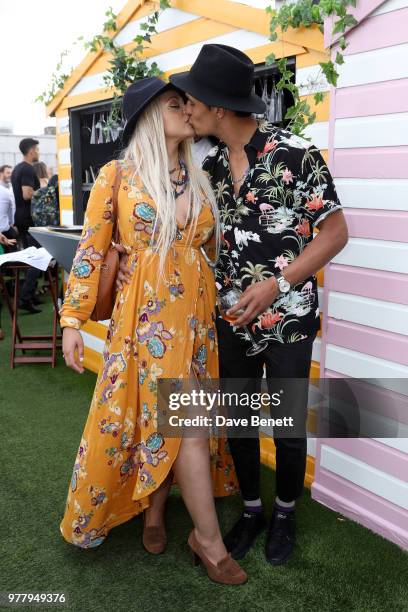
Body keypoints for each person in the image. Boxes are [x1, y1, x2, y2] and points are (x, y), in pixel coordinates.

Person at [118, 44, 348, 566]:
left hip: (287, 320)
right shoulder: (211, 168)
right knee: (241, 424)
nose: (186, 109)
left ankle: (284, 513)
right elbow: (184, 234)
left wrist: (277, 284)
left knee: (287, 426)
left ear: (217, 107)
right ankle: (250, 511)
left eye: (191, 102)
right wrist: (126, 258)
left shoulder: (296, 153)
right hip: (229, 322)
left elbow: (335, 233)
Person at [59, 77, 246, 585]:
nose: (187, 109)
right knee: (176, 419)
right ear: (147, 117)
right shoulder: (117, 175)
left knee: (175, 419)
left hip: (195, 318)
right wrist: (73, 320)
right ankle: (207, 540)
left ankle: (159, 512)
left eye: (187, 102)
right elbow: (92, 248)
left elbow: (208, 251)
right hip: (145, 319)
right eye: (174, 103)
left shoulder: (200, 174)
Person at [11, 138, 42, 314]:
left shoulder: (17, 169)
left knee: (33, 256)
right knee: (37, 259)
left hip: (21, 218)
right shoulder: (28, 168)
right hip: (29, 219)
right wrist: (45, 191)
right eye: (37, 149)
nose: (38, 152)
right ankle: (25, 297)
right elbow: (27, 194)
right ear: (31, 151)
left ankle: (31, 294)